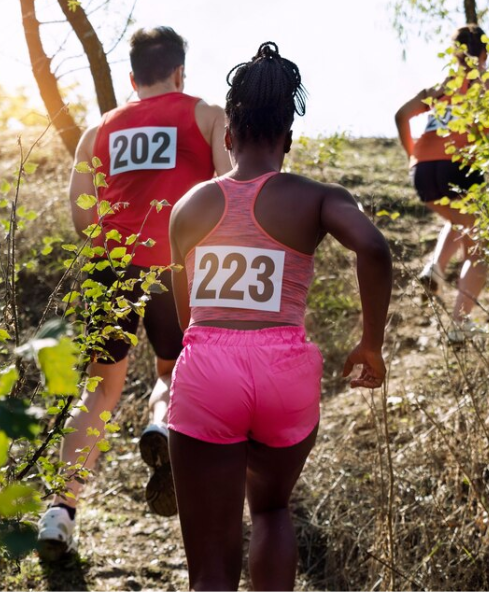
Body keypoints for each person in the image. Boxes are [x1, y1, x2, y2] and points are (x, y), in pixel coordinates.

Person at [167, 42, 393, 590]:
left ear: (228, 136)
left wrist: (203, 355)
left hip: (208, 369)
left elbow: (185, 305)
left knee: (210, 575)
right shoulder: (314, 197)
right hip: (284, 373)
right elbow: (373, 248)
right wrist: (370, 344)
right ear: (287, 141)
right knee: (271, 512)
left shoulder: (189, 206)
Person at [37, 26, 231, 560]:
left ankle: (59, 512)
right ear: (178, 71)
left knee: (99, 389)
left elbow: (81, 216)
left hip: (112, 266)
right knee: (171, 370)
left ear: (131, 77)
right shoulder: (207, 114)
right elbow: (233, 187)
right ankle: (159, 423)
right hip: (179, 265)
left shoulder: (98, 129)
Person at [395, 24, 489, 341]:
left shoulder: (441, 87)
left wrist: (415, 156)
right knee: (477, 252)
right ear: (483, 54)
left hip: (423, 173)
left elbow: (401, 115)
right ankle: (459, 326)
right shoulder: (488, 86)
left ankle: (435, 270)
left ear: (455, 54)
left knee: (461, 220)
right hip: (460, 168)